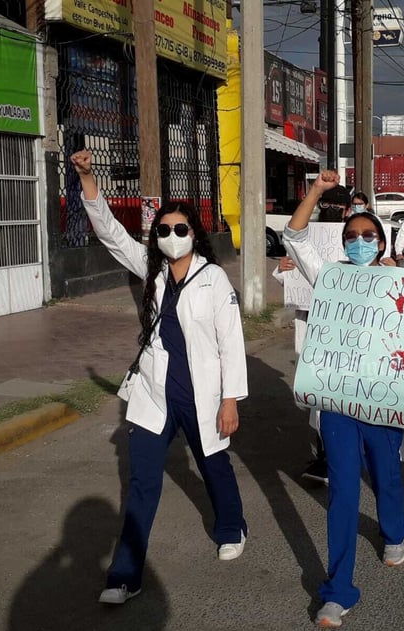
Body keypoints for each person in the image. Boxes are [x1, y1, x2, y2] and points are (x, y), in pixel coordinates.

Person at [70, 150, 249, 605]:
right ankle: (125, 575)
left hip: (201, 394)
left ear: (194, 234)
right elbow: (111, 235)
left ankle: (232, 526)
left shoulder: (214, 281)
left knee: (214, 465)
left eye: (180, 229)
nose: (171, 236)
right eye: (164, 230)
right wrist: (89, 180)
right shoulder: (152, 272)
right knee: (142, 481)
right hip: (155, 394)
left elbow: (230, 344)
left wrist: (230, 400)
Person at [283, 170, 404, 629]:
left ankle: (394, 529)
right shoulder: (329, 277)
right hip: (336, 404)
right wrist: (315, 191)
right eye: (351, 236)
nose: (358, 242)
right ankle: (338, 590)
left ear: (383, 243)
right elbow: (295, 236)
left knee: (387, 474)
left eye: (368, 236)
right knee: (343, 493)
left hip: (382, 402)